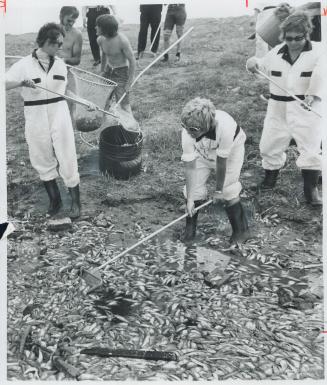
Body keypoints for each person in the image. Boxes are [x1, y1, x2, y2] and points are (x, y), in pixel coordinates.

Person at [5, 23, 95, 219]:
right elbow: (4, 82)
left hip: (59, 111)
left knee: (67, 153)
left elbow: (65, 91)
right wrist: (20, 82)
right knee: (40, 154)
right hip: (35, 113)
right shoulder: (23, 65)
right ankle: (55, 200)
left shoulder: (61, 64)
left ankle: (76, 202)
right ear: (44, 42)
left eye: (61, 44)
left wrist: (85, 101)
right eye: (56, 44)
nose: (59, 48)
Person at [246, 12, 323, 206]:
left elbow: (323, 75)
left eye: (299, 38)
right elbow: (261, 66)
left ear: (307, 34)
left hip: (307, 108)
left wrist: (313, 94)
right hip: (277, 108)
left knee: (311, 147)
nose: (294, 42)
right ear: (283, 36)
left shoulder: (320, 51)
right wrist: (252, 63)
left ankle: (311, 190)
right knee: (269, 144)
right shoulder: (277, 52)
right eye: (289, 38)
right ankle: (269, 180)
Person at [180, 98, 251, 244]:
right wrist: (190, 199)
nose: (188, 132)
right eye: (184, 127)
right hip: (202, 150)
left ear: (206, 125)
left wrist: (218, 191)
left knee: (228, 189)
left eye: (192, 130)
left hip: (231, 151)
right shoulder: (188, 132)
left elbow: (221, 162)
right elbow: (190, 166)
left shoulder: (226, 126)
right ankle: (190, 228)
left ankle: (241, 231)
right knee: (193, 190)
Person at [96, 14, 136, 114]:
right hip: (108, 70)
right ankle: (107, 122)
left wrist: (129, 82)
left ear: (105, 29)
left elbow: (132, 60)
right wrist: (102, 71)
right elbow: (104, 55)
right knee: (105, 99)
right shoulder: (100, 39)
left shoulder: (122, 41)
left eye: (98, 26)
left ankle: (130, 127)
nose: (95, 27)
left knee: (123, 104)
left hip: (121, 72)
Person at [58, 6, 83, 123]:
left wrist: (64, 61)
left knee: (71, 104)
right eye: (69, 20)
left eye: (74, 21)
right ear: (61, 17)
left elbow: (77, 59)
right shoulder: (50, 31)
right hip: (49, 73)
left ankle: (69, 133)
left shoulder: (77, 34)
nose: (71, 23)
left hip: (68, 73)